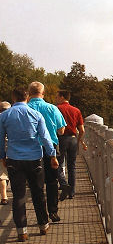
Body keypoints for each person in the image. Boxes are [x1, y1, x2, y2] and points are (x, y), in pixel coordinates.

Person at [1, 87, 58, 241]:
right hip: (34, 158)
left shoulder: (4, 116)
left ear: (13, 97)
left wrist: (2, 156)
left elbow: (0, 138)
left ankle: (22, 231)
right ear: (27, 97)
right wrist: (52, 155)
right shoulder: (36, 114)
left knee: (18, 195)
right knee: (38, 192)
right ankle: (43, 225)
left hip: (14, 159)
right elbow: (45, 137)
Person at [26, 81, 66, 222]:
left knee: (35, 184)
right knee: (52, 181)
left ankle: (41, 216)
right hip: (51, 148)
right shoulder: (52, 108)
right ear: (43, 93)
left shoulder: (24, 109)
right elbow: (61, 130)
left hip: (30, 149)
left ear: (29, 93)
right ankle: (53, 211)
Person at [55, 90, 86, 199]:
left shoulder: (57, 109)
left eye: (57, 97)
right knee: (72, 166)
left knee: (57, 164)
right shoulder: (76, 110)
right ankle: (72, 192)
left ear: (62, 97)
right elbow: (82, 130)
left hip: (60, 139)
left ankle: (63, 184)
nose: (56, 99)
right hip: (73, 139)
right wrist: (79, 140)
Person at [0, 101, 9, 204]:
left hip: (1, 149)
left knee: (2, 175)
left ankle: (4, 197)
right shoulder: (12, 118)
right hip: (12, 150)